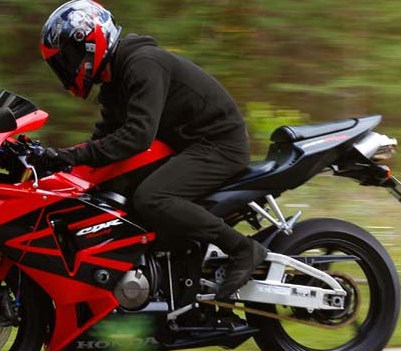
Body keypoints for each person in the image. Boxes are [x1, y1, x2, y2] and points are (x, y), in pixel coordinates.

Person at [34, 0, 265, 300]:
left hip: (219, 145)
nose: (68, 67)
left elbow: (138, 136)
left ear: (90, 42)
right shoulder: (113, 84)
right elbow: (102, 141)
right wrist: (54, 161)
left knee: (152, 198)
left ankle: (243, 249)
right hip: (187, 146)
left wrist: (71, 156)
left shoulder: (143, 63)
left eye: (69, 57)